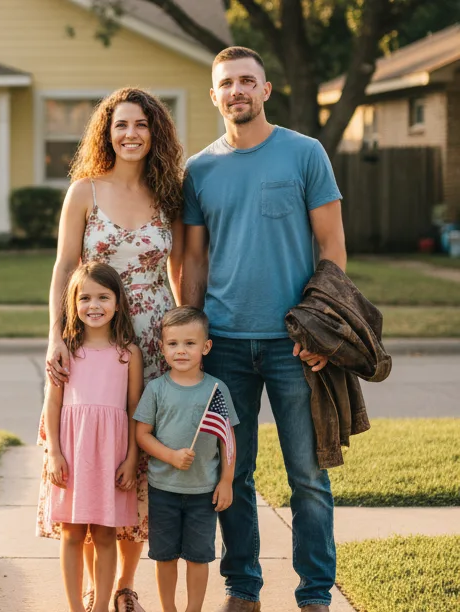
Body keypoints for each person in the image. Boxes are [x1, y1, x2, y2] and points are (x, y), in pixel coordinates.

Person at [180, 46, 348, 612]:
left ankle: (315, 594)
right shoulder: (199, 170)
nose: (237, 92)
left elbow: (332, 247)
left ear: (266, 90)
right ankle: (243, 588)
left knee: (307, 475)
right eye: (226, 84)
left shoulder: (304, 154)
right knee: (233, 471)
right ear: (214, 95)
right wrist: (192, 340)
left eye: (247, 81)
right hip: (224, 343)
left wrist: (323, 329)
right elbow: (195, 262)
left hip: (294, 345)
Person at [40, 87, 186, 611]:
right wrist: (57, 335)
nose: (131, 134)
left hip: (150, 341)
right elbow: (63, 269)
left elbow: (181, 273)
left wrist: (185, 342)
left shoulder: (170, 195)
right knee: (88, 455)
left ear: (155, 133)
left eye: (142, 125)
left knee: (136, 463)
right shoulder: (84, 191)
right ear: (107, 132)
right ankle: (87, 587)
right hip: (90, 339)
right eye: (121, 124)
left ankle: (123, 585)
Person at [43, 261, 143, 612]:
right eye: (84, 297)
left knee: (104, 533)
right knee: (71, 532)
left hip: (111, 456)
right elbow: (52, 404)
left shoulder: (128, 353)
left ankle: (101, 605)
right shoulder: (65, 350)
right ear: (72, 303)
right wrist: (53, 452)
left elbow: (135, 409)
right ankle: (75, 607)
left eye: (103, 296)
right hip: (72, 452)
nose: (94, 305)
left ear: (118, 302)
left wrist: (132, 458)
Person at [134, 306, 238, 612]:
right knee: (164, 556)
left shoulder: (217, 390)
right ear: (162, 347)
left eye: (190, 343)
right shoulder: (156, 389)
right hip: (163, 488)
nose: (181, 351)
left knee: (198, 556)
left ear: (205, 347)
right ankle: (169, 609)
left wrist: (227, 481)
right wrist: (170, 456)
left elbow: (227, 441)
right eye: (173, 344)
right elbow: (142, 434)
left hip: (203, 491)